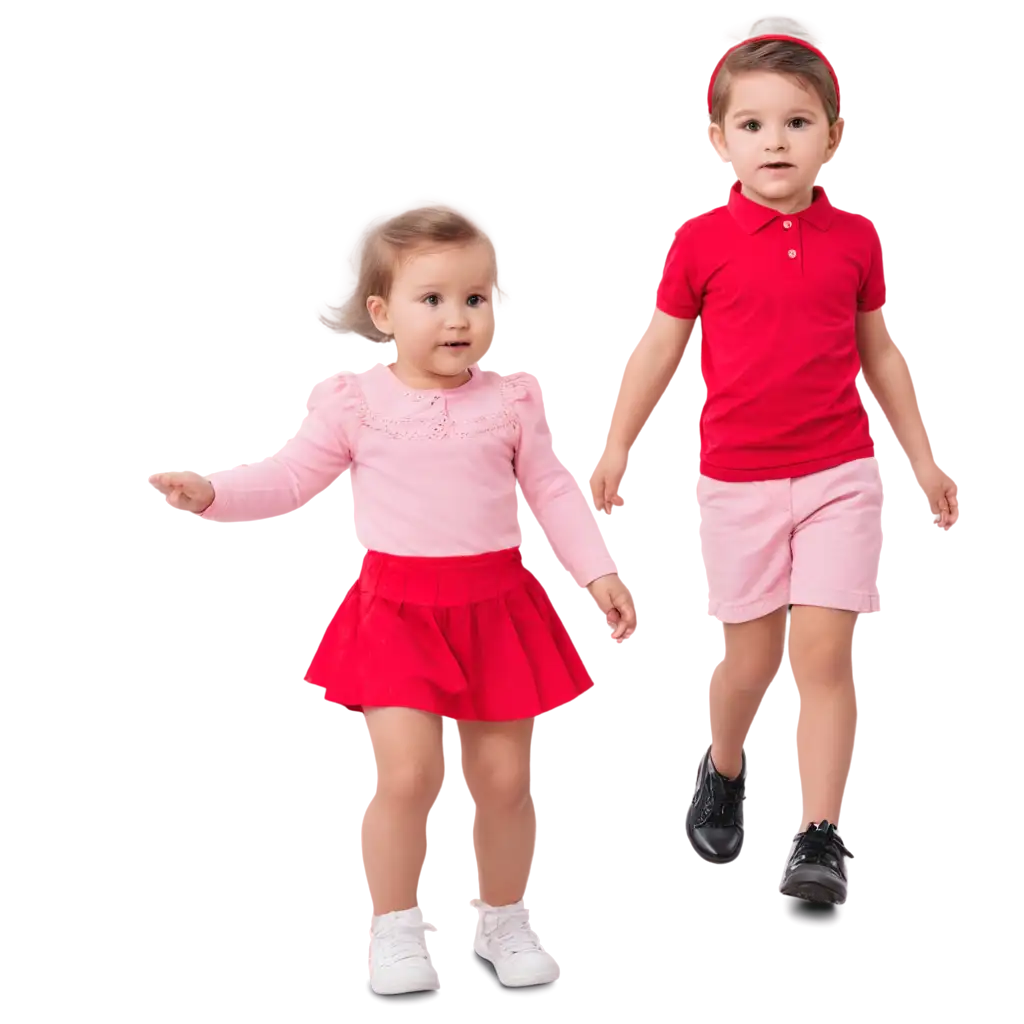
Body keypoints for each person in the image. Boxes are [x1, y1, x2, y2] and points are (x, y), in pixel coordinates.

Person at [145, 198, 635, 1004]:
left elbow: (554, 492)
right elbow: (292, 478)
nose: (458, 319)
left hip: (496, 608)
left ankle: (504, 920)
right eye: (433, 299)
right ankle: (397, 928)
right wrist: (213, 491)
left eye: (475, 299)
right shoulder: (353, 402)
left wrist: (599, 570)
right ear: (383, 312)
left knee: (506, 778)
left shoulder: (511, 401)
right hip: (398, 613)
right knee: (404, 775)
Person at [587, 18, 956, 923]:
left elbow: (884, 353)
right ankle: (720, 765)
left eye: (796, 122)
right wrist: (616, 444)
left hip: (839, 473)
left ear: (835, 135)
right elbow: (655, 351)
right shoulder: (701, 242)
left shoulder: (854, 241)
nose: (774, 142)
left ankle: (817, 837)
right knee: (749, 659)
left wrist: (924, 455)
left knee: (824, 651)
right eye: (750, 125)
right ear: (718, 142)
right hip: (740, 482)